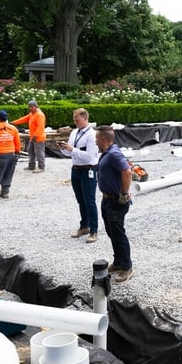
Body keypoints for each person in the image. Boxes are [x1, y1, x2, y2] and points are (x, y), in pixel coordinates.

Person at [95, 125, 134, 283]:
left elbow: (127, 172)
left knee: (118, 234)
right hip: (107, 199)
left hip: (115, 200)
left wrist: (124, 194)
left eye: (97, 138)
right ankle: (118, 262)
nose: (95, 141)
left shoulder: (114, 154)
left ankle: (127, 267)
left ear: (104, 139)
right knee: (112, 232)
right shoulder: (107, 153)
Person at [59, 108, 99, 243]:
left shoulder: (92, 135)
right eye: (74, 119)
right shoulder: (74, 132)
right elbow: (69, 154)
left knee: (90, 201)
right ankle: (84, 226)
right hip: (76, 169)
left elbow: (89, 157)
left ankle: (94, 230)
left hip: (88, 170)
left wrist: (72, 150)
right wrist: (64, 148)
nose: (75, 122)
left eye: (77, 119)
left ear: (85, 119)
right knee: (80, 200)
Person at [11, 100, 47, 172]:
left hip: (38, 138)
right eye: (29, 107)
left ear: (36, 106)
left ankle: (41, 167)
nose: (30, 108)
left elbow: (40, 127)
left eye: (31, 107)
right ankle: (31, 166)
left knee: (39, 153)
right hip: (33, 137)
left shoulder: (39, 115)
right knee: (30, 151)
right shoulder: (32, 114)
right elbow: (24, 119)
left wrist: (35, 136)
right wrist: (14, 122)